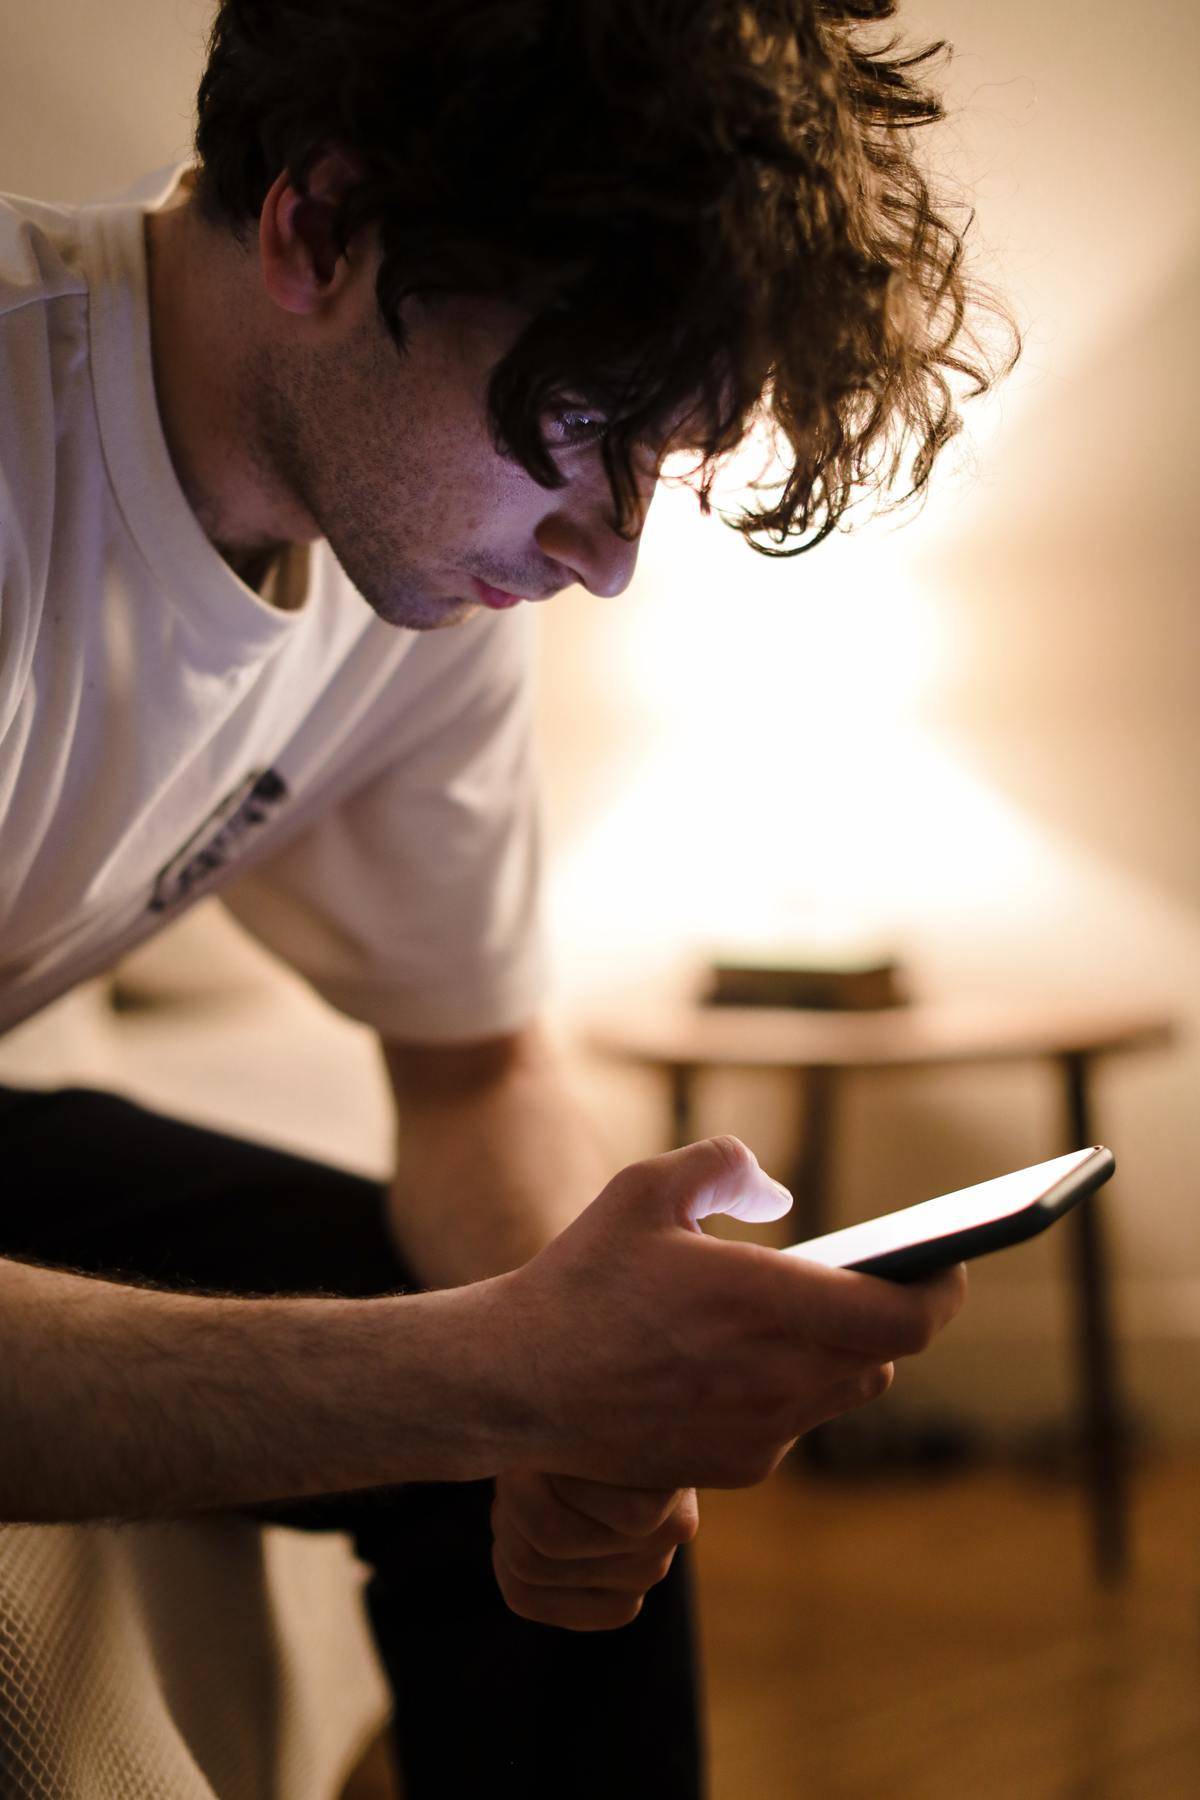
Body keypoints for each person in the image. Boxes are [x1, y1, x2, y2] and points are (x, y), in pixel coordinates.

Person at [0, 1, 1013, 1792]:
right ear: (320, 227)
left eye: (661, 460)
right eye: (579, 419)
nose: (608, 559)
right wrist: (503, 1377)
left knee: (589, 1399)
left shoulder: (423, 563)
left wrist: (588, 1370)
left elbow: (475, 1073)